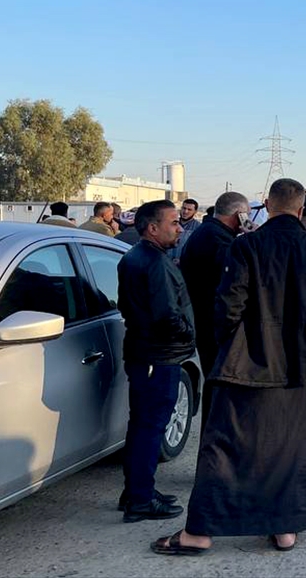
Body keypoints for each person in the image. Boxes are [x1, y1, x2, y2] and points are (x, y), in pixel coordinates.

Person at [154, 179, 306, 556]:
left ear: (269, 207)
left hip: (248, 363)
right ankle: (284, 528)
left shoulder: (246, 246)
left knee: (226, 445)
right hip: (300, 366)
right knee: (293, 447)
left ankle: (202, 532)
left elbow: (228, 306)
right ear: (299, 208)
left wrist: (236, 343)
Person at [117, 200, 195, 522]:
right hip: (158, 357)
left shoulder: (134, 257)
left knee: (141, 427)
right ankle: (140, 501)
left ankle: (137, 490)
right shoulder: (154, 263)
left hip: (145, 353)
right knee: (150, 429)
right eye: (174, 223)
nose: (179, 228)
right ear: (152, 227)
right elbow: (167, 316)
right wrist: (189, 334)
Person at [178, 191, 249, 427]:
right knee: (220, 390)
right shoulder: (216, 238)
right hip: (212, 325)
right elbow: (232, 279)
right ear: (239, 214)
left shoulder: (212, 233)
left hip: (207, 321)